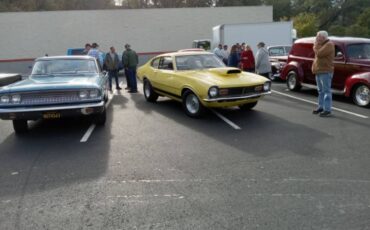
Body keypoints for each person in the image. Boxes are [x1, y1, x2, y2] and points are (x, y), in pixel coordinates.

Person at [312, 31, 335, 117]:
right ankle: (321, 107)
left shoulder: (329, 44)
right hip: (319, 71)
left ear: (323, 37)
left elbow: (319, 54)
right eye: (317, 36)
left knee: (326, 91)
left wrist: (315, 45)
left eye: (318, 36)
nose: (317, 38)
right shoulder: (321, 44)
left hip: (325, 71)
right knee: (320, 91)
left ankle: (327, 110)